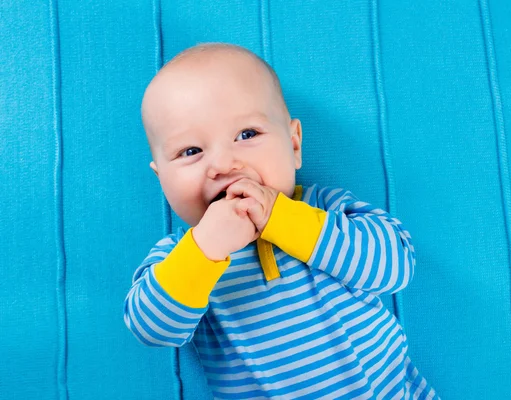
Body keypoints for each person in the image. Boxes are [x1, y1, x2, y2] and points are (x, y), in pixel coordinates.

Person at [123, 42, 439, 400]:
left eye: (247, 135)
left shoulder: (327, 211)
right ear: (161, 178)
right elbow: (152, 329)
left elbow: (394, 268)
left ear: (294, 145)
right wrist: (204, 249)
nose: (224, 165)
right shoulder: (179, 256)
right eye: (190, 151)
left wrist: (283, 219)